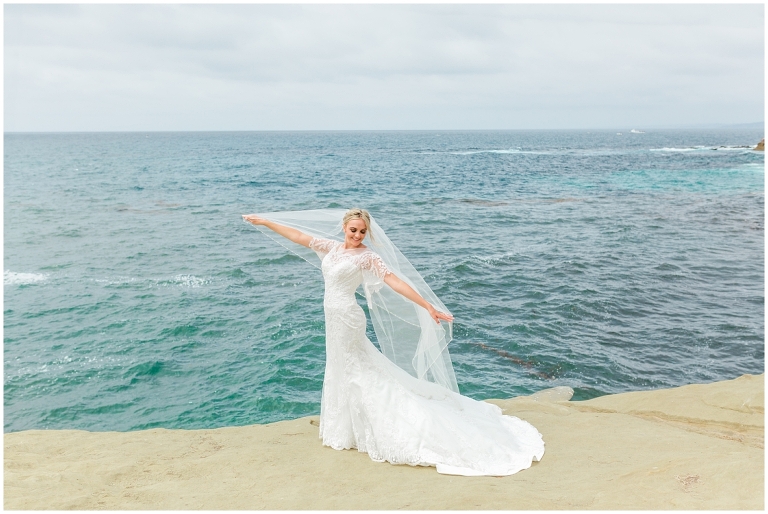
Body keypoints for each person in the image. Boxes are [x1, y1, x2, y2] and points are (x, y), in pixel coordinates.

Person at [242, 207, 544, 476]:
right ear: (344, 228)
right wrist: (266, 222)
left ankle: (368, 427)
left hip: (348, 317)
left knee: (356, 368)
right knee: (340, 367)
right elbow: (297, 235)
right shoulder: (330, 249)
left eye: (362, 231)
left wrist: (427, 305)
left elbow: (395, 281)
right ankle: (346, 430)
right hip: (332, 318)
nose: (358, 235)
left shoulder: (368, 257)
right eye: (353, 230)